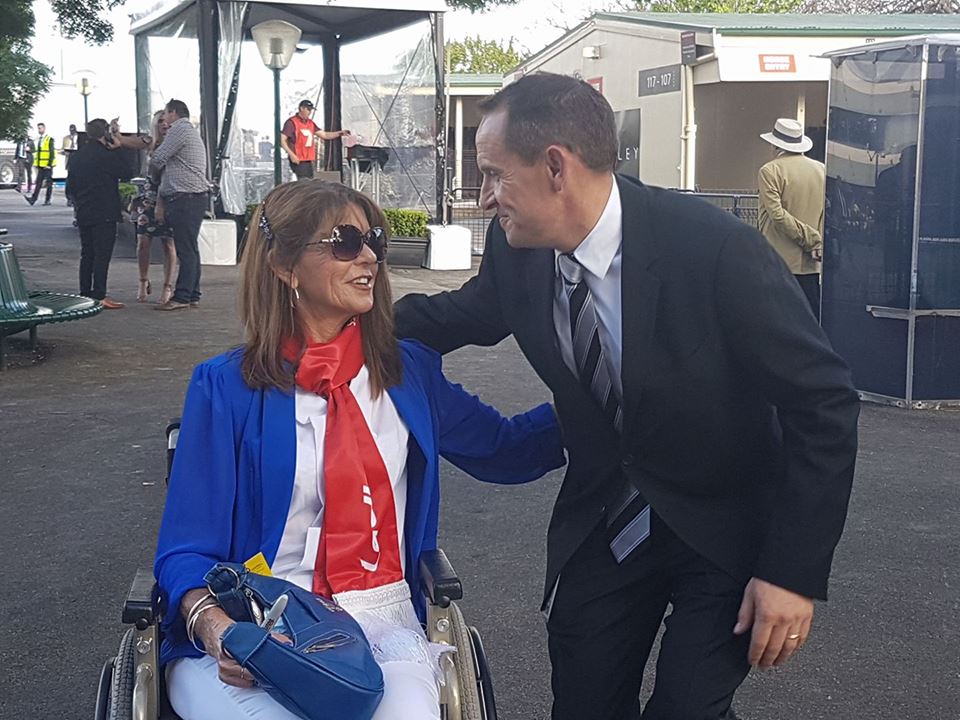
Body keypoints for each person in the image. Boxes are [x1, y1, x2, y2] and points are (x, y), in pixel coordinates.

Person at [394, 73, 860, 720]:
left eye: (495, 175)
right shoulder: (517, 251)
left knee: (687, 708)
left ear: (556, 167)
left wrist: (792, 571)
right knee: (583, 701)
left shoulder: (712, 250)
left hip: (722, 525)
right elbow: (460, 317)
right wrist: (336, 321)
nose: (483, 197)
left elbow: (824, 403)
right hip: (607, 522)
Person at [155, 179, 565, 720]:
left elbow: (508, 450)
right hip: (256, 622)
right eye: (345, 242)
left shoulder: (406, 371)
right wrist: (218, 631)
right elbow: (185, 550)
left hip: (381, 617)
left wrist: (605, 399)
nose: (369, 255)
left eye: (373, 240)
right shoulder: (225, 387)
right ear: (284, 266)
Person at [66, 118, 152, 309]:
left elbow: (70, 186)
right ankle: (99, 295)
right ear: (105, 133)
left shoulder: (77, 156)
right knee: (102, 254)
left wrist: (78, 202)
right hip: (104, 210)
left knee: (87, 253)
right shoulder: (106, 154)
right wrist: (118, 147)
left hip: (84, 210)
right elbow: (127, 172)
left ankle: (85, 293)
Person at [758, 118, 826, 319]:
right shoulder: (821, 169)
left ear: (774, 144)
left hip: (778, 259)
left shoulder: (770, 170)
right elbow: (825, 212)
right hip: (811, 262)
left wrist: (811, 238)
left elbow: (777, 215)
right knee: (810, 321)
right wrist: (817, 243)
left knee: (776, 320)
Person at [149, 99, 209, 311]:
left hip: (185, 197)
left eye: (165, 113)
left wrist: (152, 157)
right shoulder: (189, 131)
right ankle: (192, 293)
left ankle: (182, 296)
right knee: (190, 248)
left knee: (185, 249)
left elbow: (158, 158)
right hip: (193, 197)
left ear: (173, 112)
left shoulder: (179, 129)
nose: (163, 118)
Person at [131, 111, 177, 304]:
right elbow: (134, 143)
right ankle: (143, 280)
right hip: (148, 196)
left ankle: (167, 286)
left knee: (169, 243)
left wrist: (161, 203)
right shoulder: (150, 143)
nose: (164, 125)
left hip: (169, 196)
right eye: (160, 122)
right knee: (143, 242)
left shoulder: (176, 144)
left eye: (167, 122)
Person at [280, 99, 350, 180]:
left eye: (311, 110)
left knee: (309, 180)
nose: (309, 112)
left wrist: (339, 133)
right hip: (298, 158)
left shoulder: (310, 123)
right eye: (308, 110)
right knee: (305, 182)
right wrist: (292, 154)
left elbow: (324, 135)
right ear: (301, 108)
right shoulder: (291, 122)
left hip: (308, 159)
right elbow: (282, 140)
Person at [27, 122, 55, 206]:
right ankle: (33, 199)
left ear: (44, 128)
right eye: (38, 128)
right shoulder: (39, 139)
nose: (39, 130)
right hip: (41, 165)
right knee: (38, 183)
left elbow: (51, 152)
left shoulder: (49, 139)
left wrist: (49, 164)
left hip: (47, 165)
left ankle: (48, 200)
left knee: (49, 183)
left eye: (40, 128)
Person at [62, 124, 80, 207]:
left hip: (78, 160)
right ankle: (69, 198)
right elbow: (63, 149)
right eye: (71, 130)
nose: (72, 132)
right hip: (70, 160)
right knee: (69, 180)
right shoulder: (66, 138)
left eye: (73, 130)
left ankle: (75, 198)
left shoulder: (80, 138)